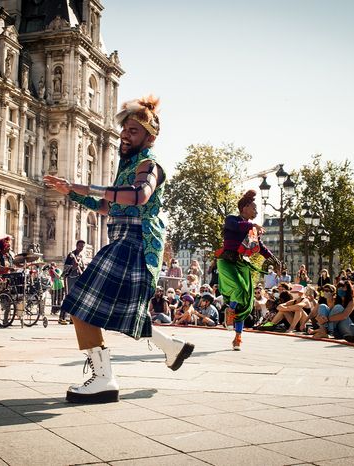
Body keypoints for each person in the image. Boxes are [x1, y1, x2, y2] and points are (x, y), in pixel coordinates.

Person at [44, 95, 194, 403]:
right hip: (124, 240)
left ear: (149, 137)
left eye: (134, 131)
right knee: (119, 313)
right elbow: (105, 205)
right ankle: (172, 348)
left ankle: (104, 379)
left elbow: (139, 196)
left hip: (137, 244)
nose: (125, 135)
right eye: (125, 129)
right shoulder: (127, 167)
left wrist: (85, 186)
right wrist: (72, 191)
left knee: (79, 305)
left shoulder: (149, 164)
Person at [216, 189, 279, 350]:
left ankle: (238, 338)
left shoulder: (253, 229)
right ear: (244, 208)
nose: (256, 211)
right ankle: (229, 312)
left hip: (242, 263)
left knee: (246, 301)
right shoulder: (231, 219)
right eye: (254, 208)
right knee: (238, 288)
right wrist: (253, 225)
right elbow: (236, 226)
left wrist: (273, 259)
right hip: (227, 262)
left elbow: (261, 247)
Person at [60, 240, 86, 325]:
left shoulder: (81, 256)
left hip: (78, 279)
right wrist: (73, 267)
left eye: (82, 246)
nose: (81, 248)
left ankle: (72, 319)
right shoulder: (71, 255)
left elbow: (82, 268)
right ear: (76, 246)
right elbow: (66, 267)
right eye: (80, 246)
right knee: (68, 298)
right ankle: (62, 317)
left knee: (76, 299)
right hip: (70, 278)